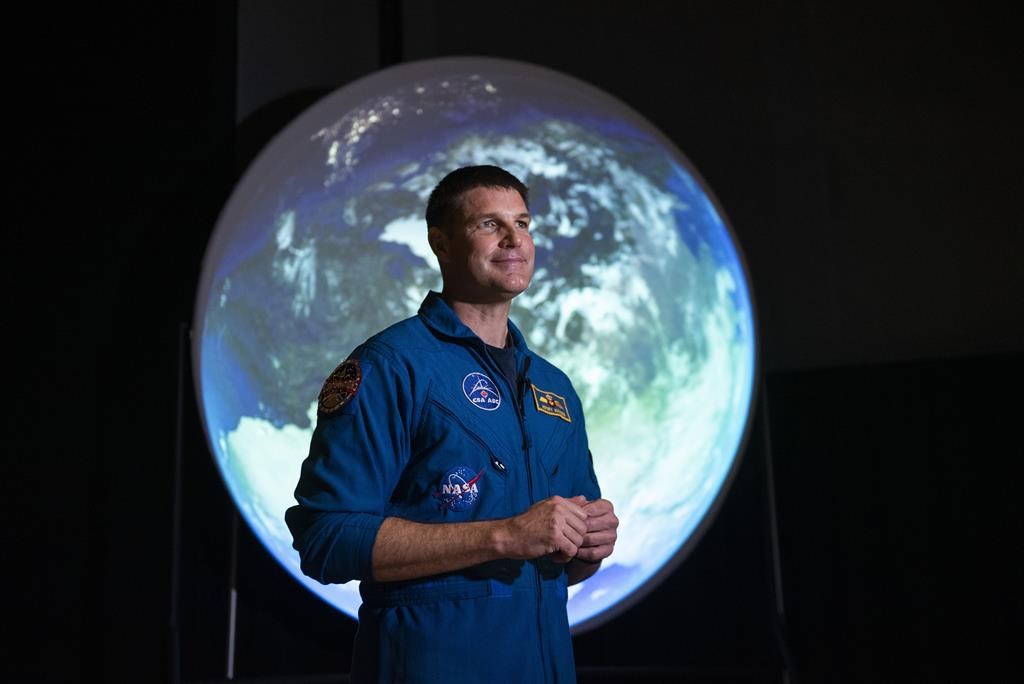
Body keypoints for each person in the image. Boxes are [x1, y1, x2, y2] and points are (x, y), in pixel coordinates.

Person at [285, 165, 618, 683]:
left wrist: (590, 546)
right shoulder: (390, 366)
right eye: (490, 224)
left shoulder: (552, 388)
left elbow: (563, 559)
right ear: (440, 243)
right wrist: (504, 536)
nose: (515, 239)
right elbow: (325, 538)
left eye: (523, 223)